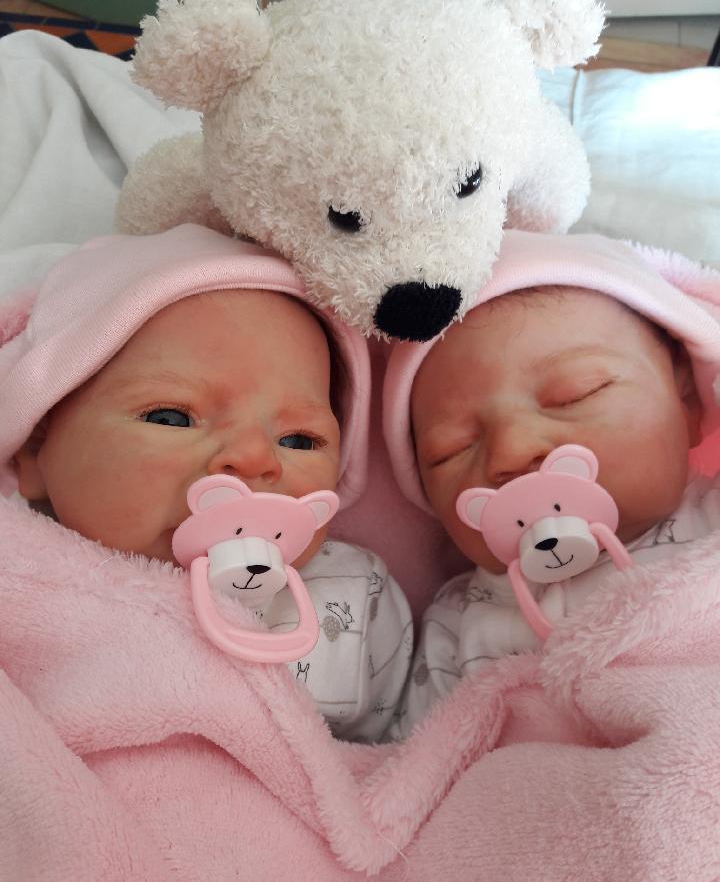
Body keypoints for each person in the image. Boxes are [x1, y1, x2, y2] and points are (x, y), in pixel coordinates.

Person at [0, 223, 412, 742]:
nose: (255, 458)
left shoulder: (353, 597)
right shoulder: (18, 573)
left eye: (299, 440)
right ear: (36, 451)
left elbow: (400, 754)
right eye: (171, 418)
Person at [383, 229, 720, 736]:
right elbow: (420, 763)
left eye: (575, 395)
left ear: (687, 401)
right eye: (451, 449)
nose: (512, 450)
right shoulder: (459, 627)